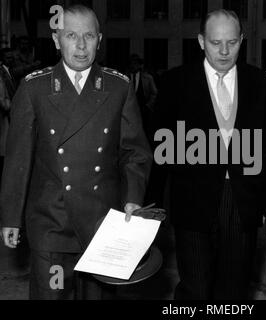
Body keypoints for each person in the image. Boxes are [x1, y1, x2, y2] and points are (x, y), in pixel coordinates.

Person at [0, 5, 152, 300]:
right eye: (71, 36)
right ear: (57, 40)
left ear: (100, 39)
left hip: (102, 223)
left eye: (89, 36)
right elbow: (18, 159)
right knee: (52, 296)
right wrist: (10, 217)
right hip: (51, 222)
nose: (81, 46)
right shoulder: (34, 89)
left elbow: (135, 153)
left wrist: (133, 198)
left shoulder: (117, 87)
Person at [147, 9, 266, 299]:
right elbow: (160, 148)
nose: (224, 51)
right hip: (192, 201)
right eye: (215, 43)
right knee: (195, 289)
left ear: (242, 40)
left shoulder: (261, 83)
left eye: (232, 42)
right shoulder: (176, 82)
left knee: (234, 290)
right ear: (201, 41)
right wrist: (149, 204)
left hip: (243, 201)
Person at [128, 54, 158, 140]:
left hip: (144, 109)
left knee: (145, 130)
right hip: (130, 109)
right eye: (132, 63)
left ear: (139, 65)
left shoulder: (147, 78)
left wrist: (148, 106)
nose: (133, 65)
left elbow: (154, 93)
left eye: (135, 63)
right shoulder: (125, 77)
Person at [0, 48, 16, 179]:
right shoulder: (2, 73)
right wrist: (12, 107)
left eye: (12, 57)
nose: (11, 59)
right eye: (8, 57)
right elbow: (2, 98)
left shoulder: (8, 71)